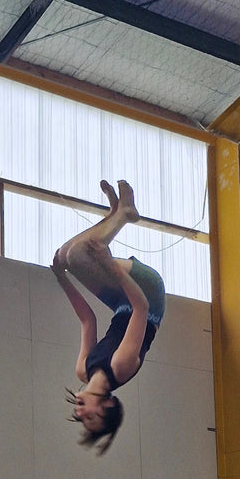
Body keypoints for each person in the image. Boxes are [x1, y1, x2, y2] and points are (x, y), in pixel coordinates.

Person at [51, 179, 166, 454]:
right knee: (81, 254)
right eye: (91, 416)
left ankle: (114, 213)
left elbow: (87, 320)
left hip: (119, 303)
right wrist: (110, 266)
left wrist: (61, 280)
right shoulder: (122, 365)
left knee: (65, 257)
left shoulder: (84, 369)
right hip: (148, 294)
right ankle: (123, 215)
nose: (80, 414)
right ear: (108, 404)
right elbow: (141, 308)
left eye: (81, 420)